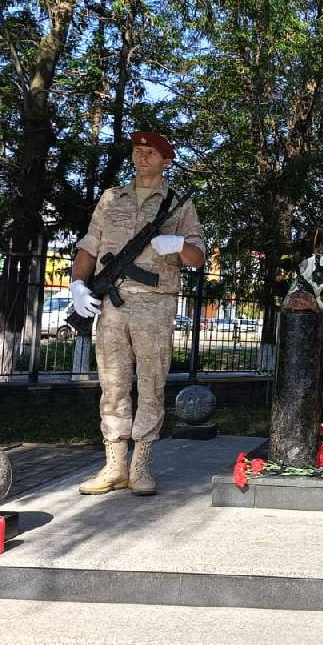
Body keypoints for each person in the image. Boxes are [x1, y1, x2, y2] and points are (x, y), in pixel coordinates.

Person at [70, 131, 206, 496]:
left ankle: (141, 464)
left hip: (155, 305)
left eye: (150, 153)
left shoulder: (177, 203)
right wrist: (78, 285)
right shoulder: (112, 198)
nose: (142, 157)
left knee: (151, 384)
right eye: (138, 151)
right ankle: (114, 465)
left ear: (166, 160)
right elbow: (90, 244)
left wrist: (179, 245)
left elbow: (198, 257)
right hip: (112, 307)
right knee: (112, 385)